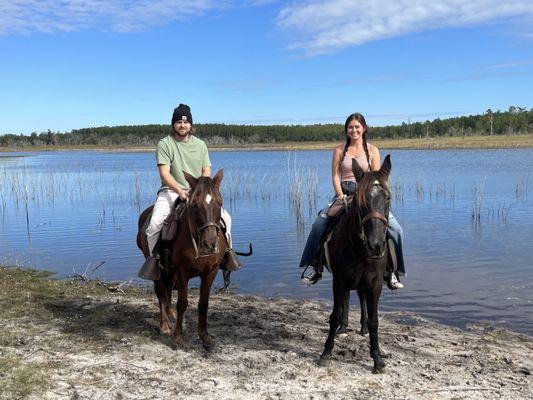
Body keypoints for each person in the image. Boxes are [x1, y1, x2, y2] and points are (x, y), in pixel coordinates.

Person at [299, 112, 405, 289]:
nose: (353, 130)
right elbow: (335, 176)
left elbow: (376, 178)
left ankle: (394, 271)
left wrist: (367, 196)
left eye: (357, 126)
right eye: (350, 127)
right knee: (319, 224)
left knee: (397, 230)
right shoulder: (340, 150)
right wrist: (340, 195)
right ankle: (314, 265)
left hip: (367, 196)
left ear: (364, 128)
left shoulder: (373, 151)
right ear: (346, 130)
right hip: (344, 193)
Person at [138, 103, 241, 280]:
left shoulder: (200, 145)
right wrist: (179, 190)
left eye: (186, 122)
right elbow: (164, 173)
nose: (183, 125)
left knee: (226, 218)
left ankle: (227, 255)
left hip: (198, 191)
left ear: (191, 125)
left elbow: (206, 171)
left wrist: (201, 191)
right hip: (171, 191)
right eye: (179, 122)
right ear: (173, 125)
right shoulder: (165, 144)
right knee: (154, 224)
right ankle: (154, 262)